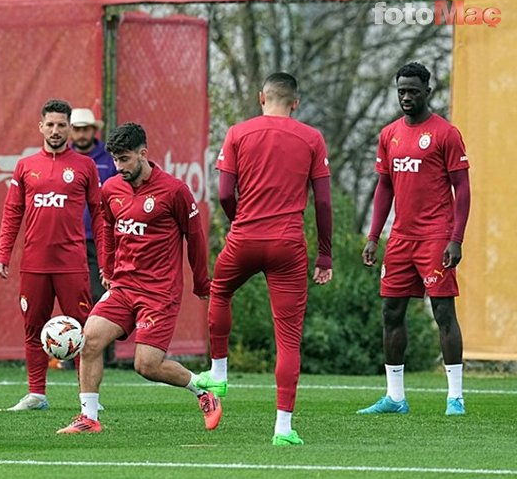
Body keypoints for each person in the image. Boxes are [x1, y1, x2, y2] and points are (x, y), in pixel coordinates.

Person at [194, 73, 333, 446]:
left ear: (261, 97)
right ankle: (283, 429)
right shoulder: (311, 138)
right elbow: (322, 201)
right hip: (288, 246)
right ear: (295, 103)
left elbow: (223, 192)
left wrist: (239, 219)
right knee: (288, 339)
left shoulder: (238, 133)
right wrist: (325, 255)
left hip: (244, 238)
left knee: (220, 291)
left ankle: (219, 372)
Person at [57, 122, 219, 435]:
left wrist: (202, 283)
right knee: (89, 340)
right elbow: (106, 226)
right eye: (116, 159)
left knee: (146, 365)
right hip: (123, 286)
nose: (119, 167)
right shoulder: (112, 189)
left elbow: (195, 237)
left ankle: (202, 390)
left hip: (159, 292)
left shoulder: (174, 191)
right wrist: (107, 266)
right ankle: (89, 418)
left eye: (126, 159)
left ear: (143, 154)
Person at [357, 62, 470, 417]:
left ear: (427, 92)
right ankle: (395, 397)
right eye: (402, 91)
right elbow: (384, 187)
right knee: (391, 311)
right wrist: (374, 236)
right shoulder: (389, 134)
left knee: (443, 312)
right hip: (401, 237)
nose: (406, 97)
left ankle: (455, 398)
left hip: (436, 236)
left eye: (413, 91)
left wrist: (456, 238)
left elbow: (463, 190)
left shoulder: (445, 134)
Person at [0, 99, 103, 411]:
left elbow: (99, 216)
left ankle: (88, 397)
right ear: (41, 126)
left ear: (69, 128)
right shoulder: (25, 166)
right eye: (50, 125)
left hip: (72, 263)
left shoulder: (85, 166)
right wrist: (3, 253)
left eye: (61, 125)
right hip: (34, 263)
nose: (56, 131)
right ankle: (36, 394)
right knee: (33, 326)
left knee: (84, 331)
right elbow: (12, 212)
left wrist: (105, 262)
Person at [60, 107, 117, 370]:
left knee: (100, 294)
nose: (81, 134)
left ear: (95, 130)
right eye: (77, 129)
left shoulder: (108, 159)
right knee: (72, 298)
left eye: (86, 129)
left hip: (101, 238)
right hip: (69, 239)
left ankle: (102, 354)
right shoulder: (62, 158)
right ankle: (71, 357)